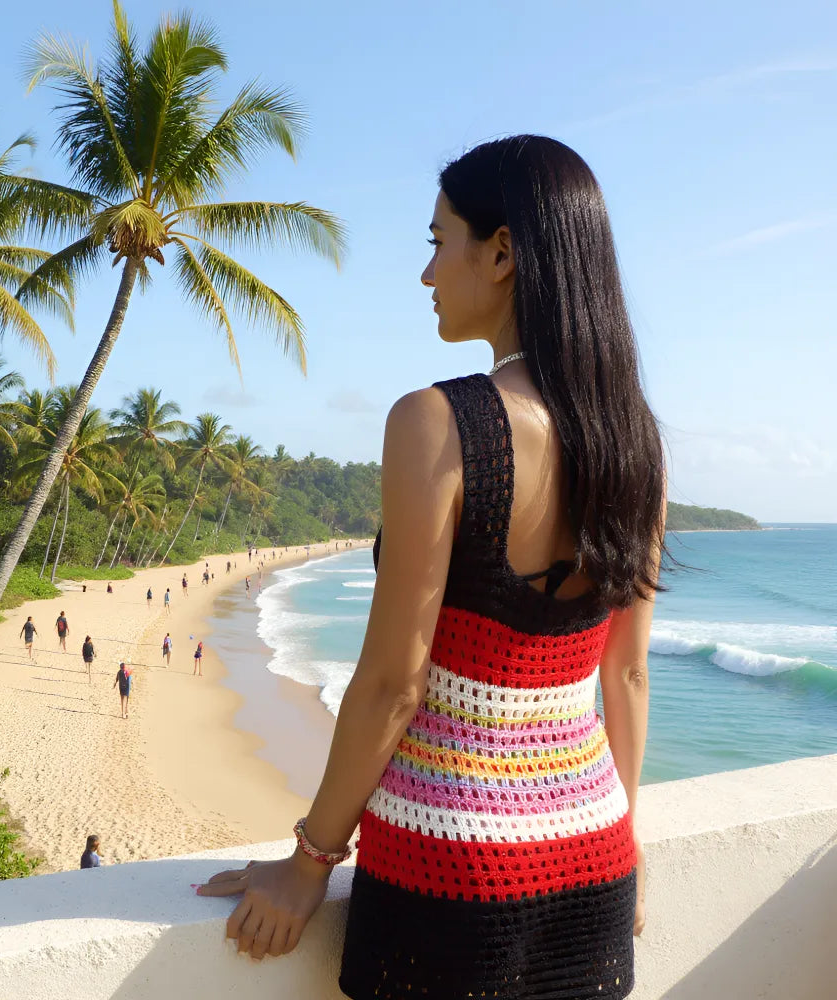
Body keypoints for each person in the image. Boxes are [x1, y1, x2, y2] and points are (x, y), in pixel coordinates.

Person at [195, 136, 669, 995]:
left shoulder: (438, 424)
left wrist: (309, 861)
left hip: (448, 869)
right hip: (596, 857)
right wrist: (625, 840)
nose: (426, 274)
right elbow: (627, 673)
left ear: (502, 252)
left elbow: (393, 684)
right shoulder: (635, 442)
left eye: (437, 241)